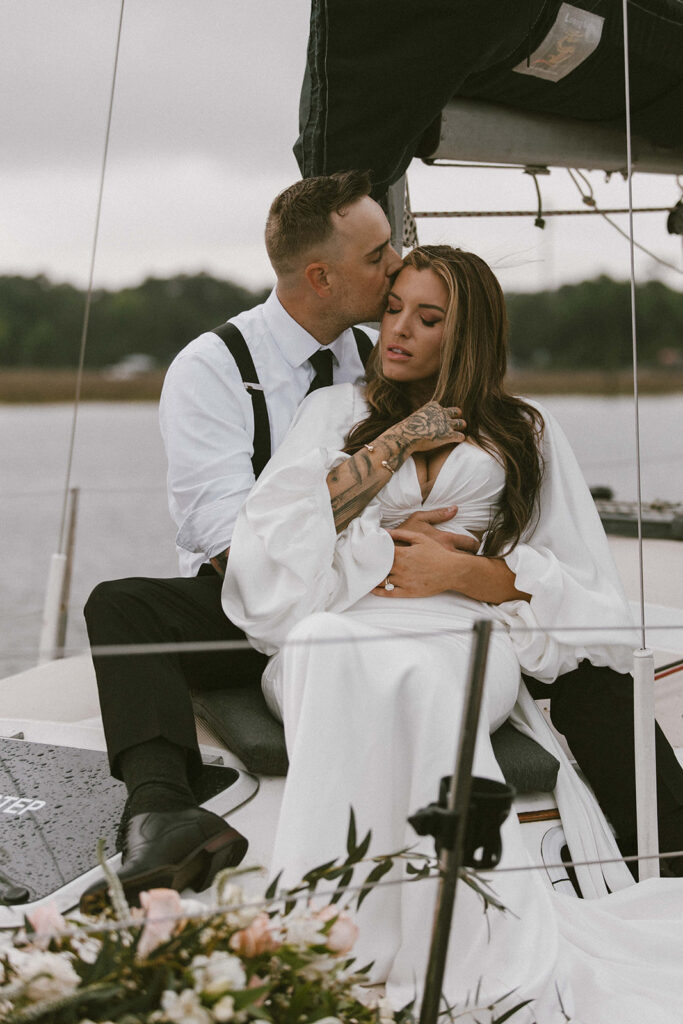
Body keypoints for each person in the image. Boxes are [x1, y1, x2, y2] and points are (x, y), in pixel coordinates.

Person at [222, 245, 683, 1022]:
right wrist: (399, 445)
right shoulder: (333, 413)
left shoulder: (524, 430)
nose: (396, 329)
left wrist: (466, 574)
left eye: (425, 318)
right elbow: (274, 540)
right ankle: (326, 933)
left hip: (460, 625)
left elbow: (583, 584)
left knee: (430, 682)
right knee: (324, 652)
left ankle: (454, 945)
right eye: (393, 307)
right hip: (345, 613)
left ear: (465, 333)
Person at [80, 173, 480, 913]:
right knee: (123, 608)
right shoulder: (213, 368)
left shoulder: (382, 356)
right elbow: (228, 541)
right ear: (320, 275)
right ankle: (161, 808)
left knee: (564, 648)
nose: (396, 263)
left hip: (379, 596)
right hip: (250, 599)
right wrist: (377, 545)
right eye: (378, 254)